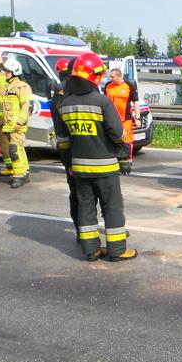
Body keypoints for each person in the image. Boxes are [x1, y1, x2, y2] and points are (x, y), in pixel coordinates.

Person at [53, 52, 137, 262]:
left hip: (79, 169)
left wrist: (69, 164)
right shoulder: (102, 102)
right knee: (112, 208)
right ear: (94, 77)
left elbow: (63, 141)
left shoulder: (64, 104)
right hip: (105, 167)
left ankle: (91, 250)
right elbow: (118, 134)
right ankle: (117, 250)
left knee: (86, 209)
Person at [50, 57, 79, 236]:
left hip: (71, 149)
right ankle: (85, 230)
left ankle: (82, 231)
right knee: (86, 194)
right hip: (79, 149)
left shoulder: (61, 89)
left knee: (78, 194)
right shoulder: (65, 90)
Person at [0, 58, 32, 189]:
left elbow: (27, 106)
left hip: (17, 125)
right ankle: (25, 171)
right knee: (19, 149)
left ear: (15, 72)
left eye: (8, 71)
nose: (5, 73)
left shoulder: (22, 87)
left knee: (14, 150)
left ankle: (18, 176)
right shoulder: (7, 87)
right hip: (9, 125)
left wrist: (20, 121)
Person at [103, 68, 140, 175]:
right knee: (111, 139)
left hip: (125, 119)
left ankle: (126, 163)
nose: (110, 78)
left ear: (119, 76)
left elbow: (136, 102)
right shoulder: (108, 86)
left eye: (112, 76)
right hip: (110, 118)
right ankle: (113, 162)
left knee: (127, 140)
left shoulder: (129, 86)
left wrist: (137, 118)